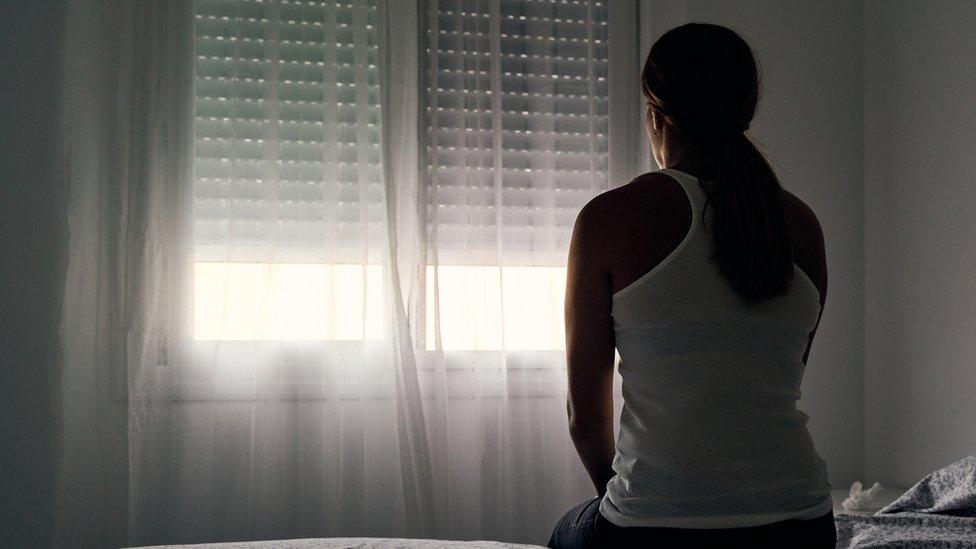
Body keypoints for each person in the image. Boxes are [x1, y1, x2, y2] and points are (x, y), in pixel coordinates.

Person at [548, 22, 836, 548]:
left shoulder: (609, 219)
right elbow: (767, 380)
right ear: (745, 112)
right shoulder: (801, 224)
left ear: (655, 113)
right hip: (803, 524)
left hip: (655, 529)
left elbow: (584, 420)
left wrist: (629, 501)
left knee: (565, 532)